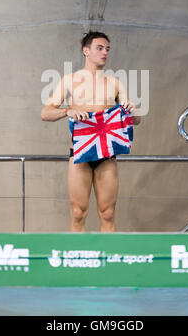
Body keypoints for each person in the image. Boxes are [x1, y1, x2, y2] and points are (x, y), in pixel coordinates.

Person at [41, 30, 141, 232]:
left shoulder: (115, 83)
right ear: (86, 51)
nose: (105, 53)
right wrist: (68, 111)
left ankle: (109, 261)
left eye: (107, 49)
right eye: (100, 48)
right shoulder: (70, 80)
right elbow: (46, 112)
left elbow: (136, 120)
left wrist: (132, 111)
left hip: (107, 154)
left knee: (108, 213)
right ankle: (77, 260)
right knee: (78, 213)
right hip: (79, 153)